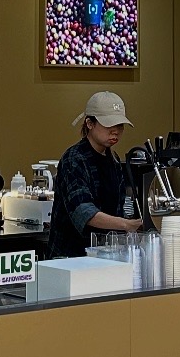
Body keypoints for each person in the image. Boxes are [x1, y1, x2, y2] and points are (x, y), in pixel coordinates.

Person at [47, 91, 143, 257]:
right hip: (70, 258)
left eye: (120, 125)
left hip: (104, 254)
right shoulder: (74, 159)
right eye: (109, 125)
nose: (115, 131)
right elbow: (83, 212)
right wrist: (126, 225)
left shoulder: (114, 159)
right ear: (89, 123)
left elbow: (120, 206)